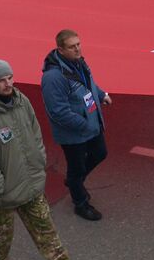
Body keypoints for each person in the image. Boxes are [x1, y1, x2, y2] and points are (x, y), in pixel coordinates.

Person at [0, 58, 93, 260]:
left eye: (10, 78)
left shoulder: (21, 101)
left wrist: (38, 161)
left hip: (29, 182)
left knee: (45, 227)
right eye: (1, 80)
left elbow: (35, 132)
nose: (7, 84)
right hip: (1, 193)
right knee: (1, 237)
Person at [40, 28, 111, 221]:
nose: (77, 49)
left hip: (90, 124)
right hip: (74, 132)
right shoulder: (53, 78)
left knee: (100, 153)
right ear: (61, 50)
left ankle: (73, 181)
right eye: (72, 47)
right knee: (76, 166)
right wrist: (84, 124)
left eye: (78, 44)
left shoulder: (78, 62)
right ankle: (80, 203)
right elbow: (58, 111)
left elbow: (89, 84)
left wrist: (102, 94)